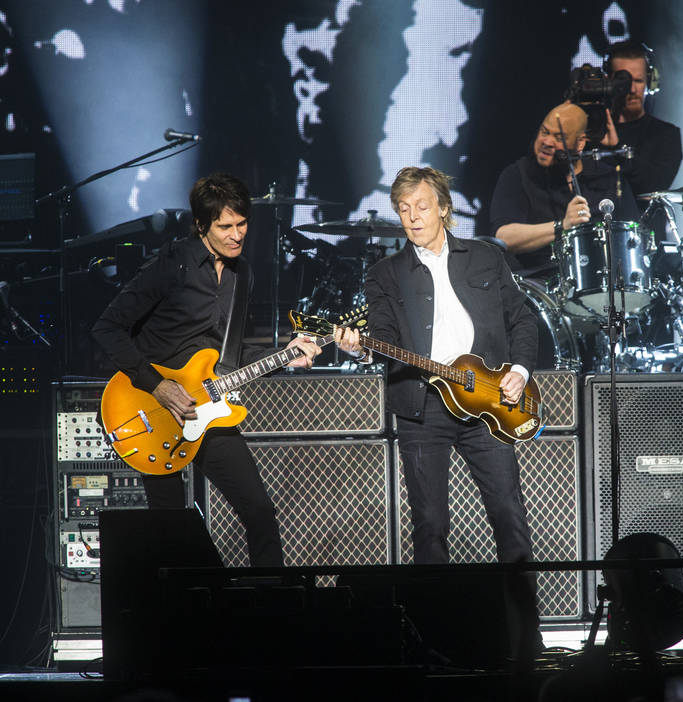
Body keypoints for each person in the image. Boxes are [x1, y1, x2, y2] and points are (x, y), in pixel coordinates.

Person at [335, 166, 542, 653]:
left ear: (444, 208)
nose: (413, 218)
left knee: (509, 515)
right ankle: (439, 643)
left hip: (489, 403)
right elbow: (382, 336)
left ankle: (526, 636)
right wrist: (361, 348)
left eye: (422, 207)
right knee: (430, 525)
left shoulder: (486, 257)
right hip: (422, 409)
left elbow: (522, 320)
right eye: (404, 210)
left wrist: (521, 371)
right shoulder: (385, 273)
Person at [92, 173, 321, 566]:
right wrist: (157, 385)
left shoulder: (242, 273)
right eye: (225, 226)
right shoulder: (171, 265)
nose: (237, 235)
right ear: (202, 225)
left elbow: (230, 356)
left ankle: (274, 608)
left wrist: (285, 356)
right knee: (172, 531)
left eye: (242, 224)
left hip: (208, 410)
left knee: (260, 513)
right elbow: (107, 329)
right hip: (152, 411)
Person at [489, 101, 640, 274]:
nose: (547, 142)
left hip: (603, 282)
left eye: (559, 137)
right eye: (544, 132)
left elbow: (633, 235)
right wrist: (561, 226)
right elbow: (503, 237)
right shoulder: (518, 174)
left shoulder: (608, 178)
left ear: (580, 143)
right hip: (538, 284)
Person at [599, 39, 683, 198]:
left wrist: (617, 147)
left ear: (650, 82)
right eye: (623, 81)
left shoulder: (666, 135)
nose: (631, 89)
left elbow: (653, 186)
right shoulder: (593, 132)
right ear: (608, 81)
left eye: (638, 81)